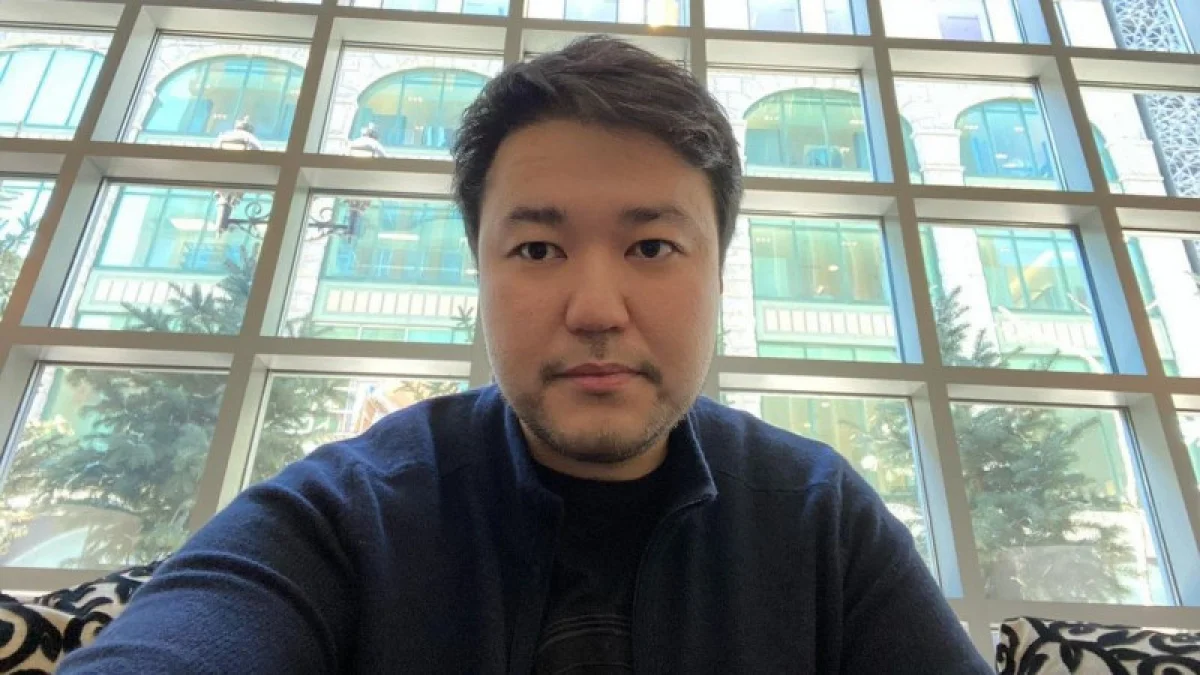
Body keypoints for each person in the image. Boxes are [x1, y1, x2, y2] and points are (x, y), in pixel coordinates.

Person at [59, 35, 993, 674]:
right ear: (481, 269)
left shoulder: (820, 519)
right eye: (538, 249)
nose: (595, 309)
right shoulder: (347, 516)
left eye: (652, 246)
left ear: (719, 274)